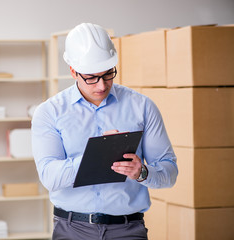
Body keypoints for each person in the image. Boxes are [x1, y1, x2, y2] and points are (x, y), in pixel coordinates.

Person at [31, 23, 178, 240]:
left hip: (127, 230)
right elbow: (49, 176)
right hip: (72, 229)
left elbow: (169, 172)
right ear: (73, 71)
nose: (101, 86)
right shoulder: (49, 112)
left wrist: (142, 172)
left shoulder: (142, 107)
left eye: (108, 74)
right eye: (91, 77)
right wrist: (96, 155)